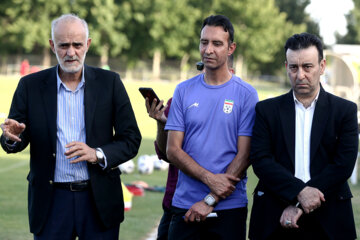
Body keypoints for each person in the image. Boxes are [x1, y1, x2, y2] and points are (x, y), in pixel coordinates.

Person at [0, 14, 141, 239]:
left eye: (77, 45)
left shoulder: (110, 83)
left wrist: (97, 154)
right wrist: (11, 137)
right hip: (51, 201)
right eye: (63, 45)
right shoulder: (30, 85)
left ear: (88, 44)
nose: (71, 52)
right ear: (52, 45)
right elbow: (13, 138)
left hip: (99, 202)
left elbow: (131, 138)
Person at [249, 33, 358, 239]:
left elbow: (343, 164)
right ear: (286, 67)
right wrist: (299, 193)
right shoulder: (266, 110)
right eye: (293, 67)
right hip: (275, 215)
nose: (300, 75)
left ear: (322, 66)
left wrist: (299, 203)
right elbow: (261, 161)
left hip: (330, 217)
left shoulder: (344, 111)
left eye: (307, 67)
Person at [164, 15, 258, 240]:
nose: (208, 49)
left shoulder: (246, 94)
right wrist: (210, 179)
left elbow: (245, 154)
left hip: (229, 208)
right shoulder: (183, 90)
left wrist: (210, 199)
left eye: (217, 44)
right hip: (185, 206)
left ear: (231, 48)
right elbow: (172, 150)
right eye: (204, 42)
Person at [146, 55, 235, 240]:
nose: (204, 72)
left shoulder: (239, 100)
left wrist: (213, 195)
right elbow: (165, 153)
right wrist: (162, 123)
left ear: (230, 71)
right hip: (177, 202)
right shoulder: (179, 98)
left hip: (224, 206)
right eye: (202, 67)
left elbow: (243, 155)